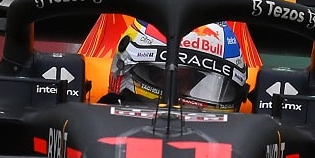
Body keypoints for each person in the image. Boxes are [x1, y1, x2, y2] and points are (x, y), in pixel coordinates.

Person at [102, 18, 257, 111]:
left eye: (191, 83)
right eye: (162, 78)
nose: (177, 100)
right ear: (124, 68)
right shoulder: (97, 123)